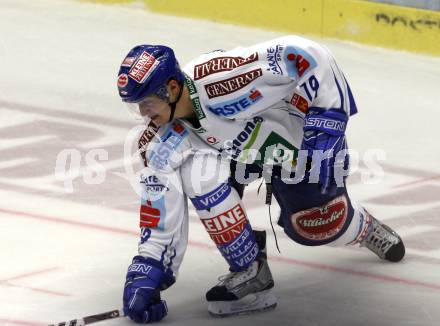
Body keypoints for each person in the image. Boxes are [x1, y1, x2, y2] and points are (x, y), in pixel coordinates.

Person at [117, 35, 405, 323]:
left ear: (173, 88)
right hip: (241, 157)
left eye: (148, 103)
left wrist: (326, 117)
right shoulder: (160, 141)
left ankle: (362, 228)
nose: (143, 114)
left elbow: (307, 54)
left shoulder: (221, 79)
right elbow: (160, 208)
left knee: (319, 226)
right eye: (136, 106)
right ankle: (250, 271)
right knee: (198, 176)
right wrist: (147, 270)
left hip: (300, 149)